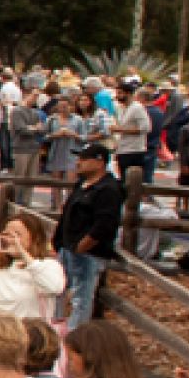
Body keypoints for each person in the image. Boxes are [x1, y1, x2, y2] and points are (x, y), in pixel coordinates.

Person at [59, 140, 127, 330]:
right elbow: (66, 215)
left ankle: (74, 339)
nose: (78, 162)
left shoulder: (108, 189)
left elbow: (105, 224)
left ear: (99, 162)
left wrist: (83, 246)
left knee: (81, 298)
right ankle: (60, 331)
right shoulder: (82, 185)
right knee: (60, 293)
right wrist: (59, 243)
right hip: (68, 249)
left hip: (88, 254)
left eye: (83, 159)